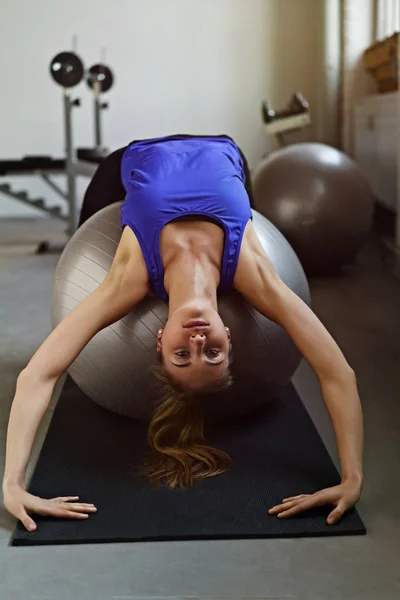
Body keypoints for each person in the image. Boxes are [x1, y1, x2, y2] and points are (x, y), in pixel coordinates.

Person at [3, 135, 363, 533]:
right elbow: (336, 373)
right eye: (212, 354)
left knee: (87, 222)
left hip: (132, 159)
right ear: (230, 336)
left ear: (158, 339)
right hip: (221, 148)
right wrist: (352, 478)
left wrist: (13, 484)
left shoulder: (127, 280)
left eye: (181, 356)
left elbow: (38, 376)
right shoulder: (258, 278)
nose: (197, 341)